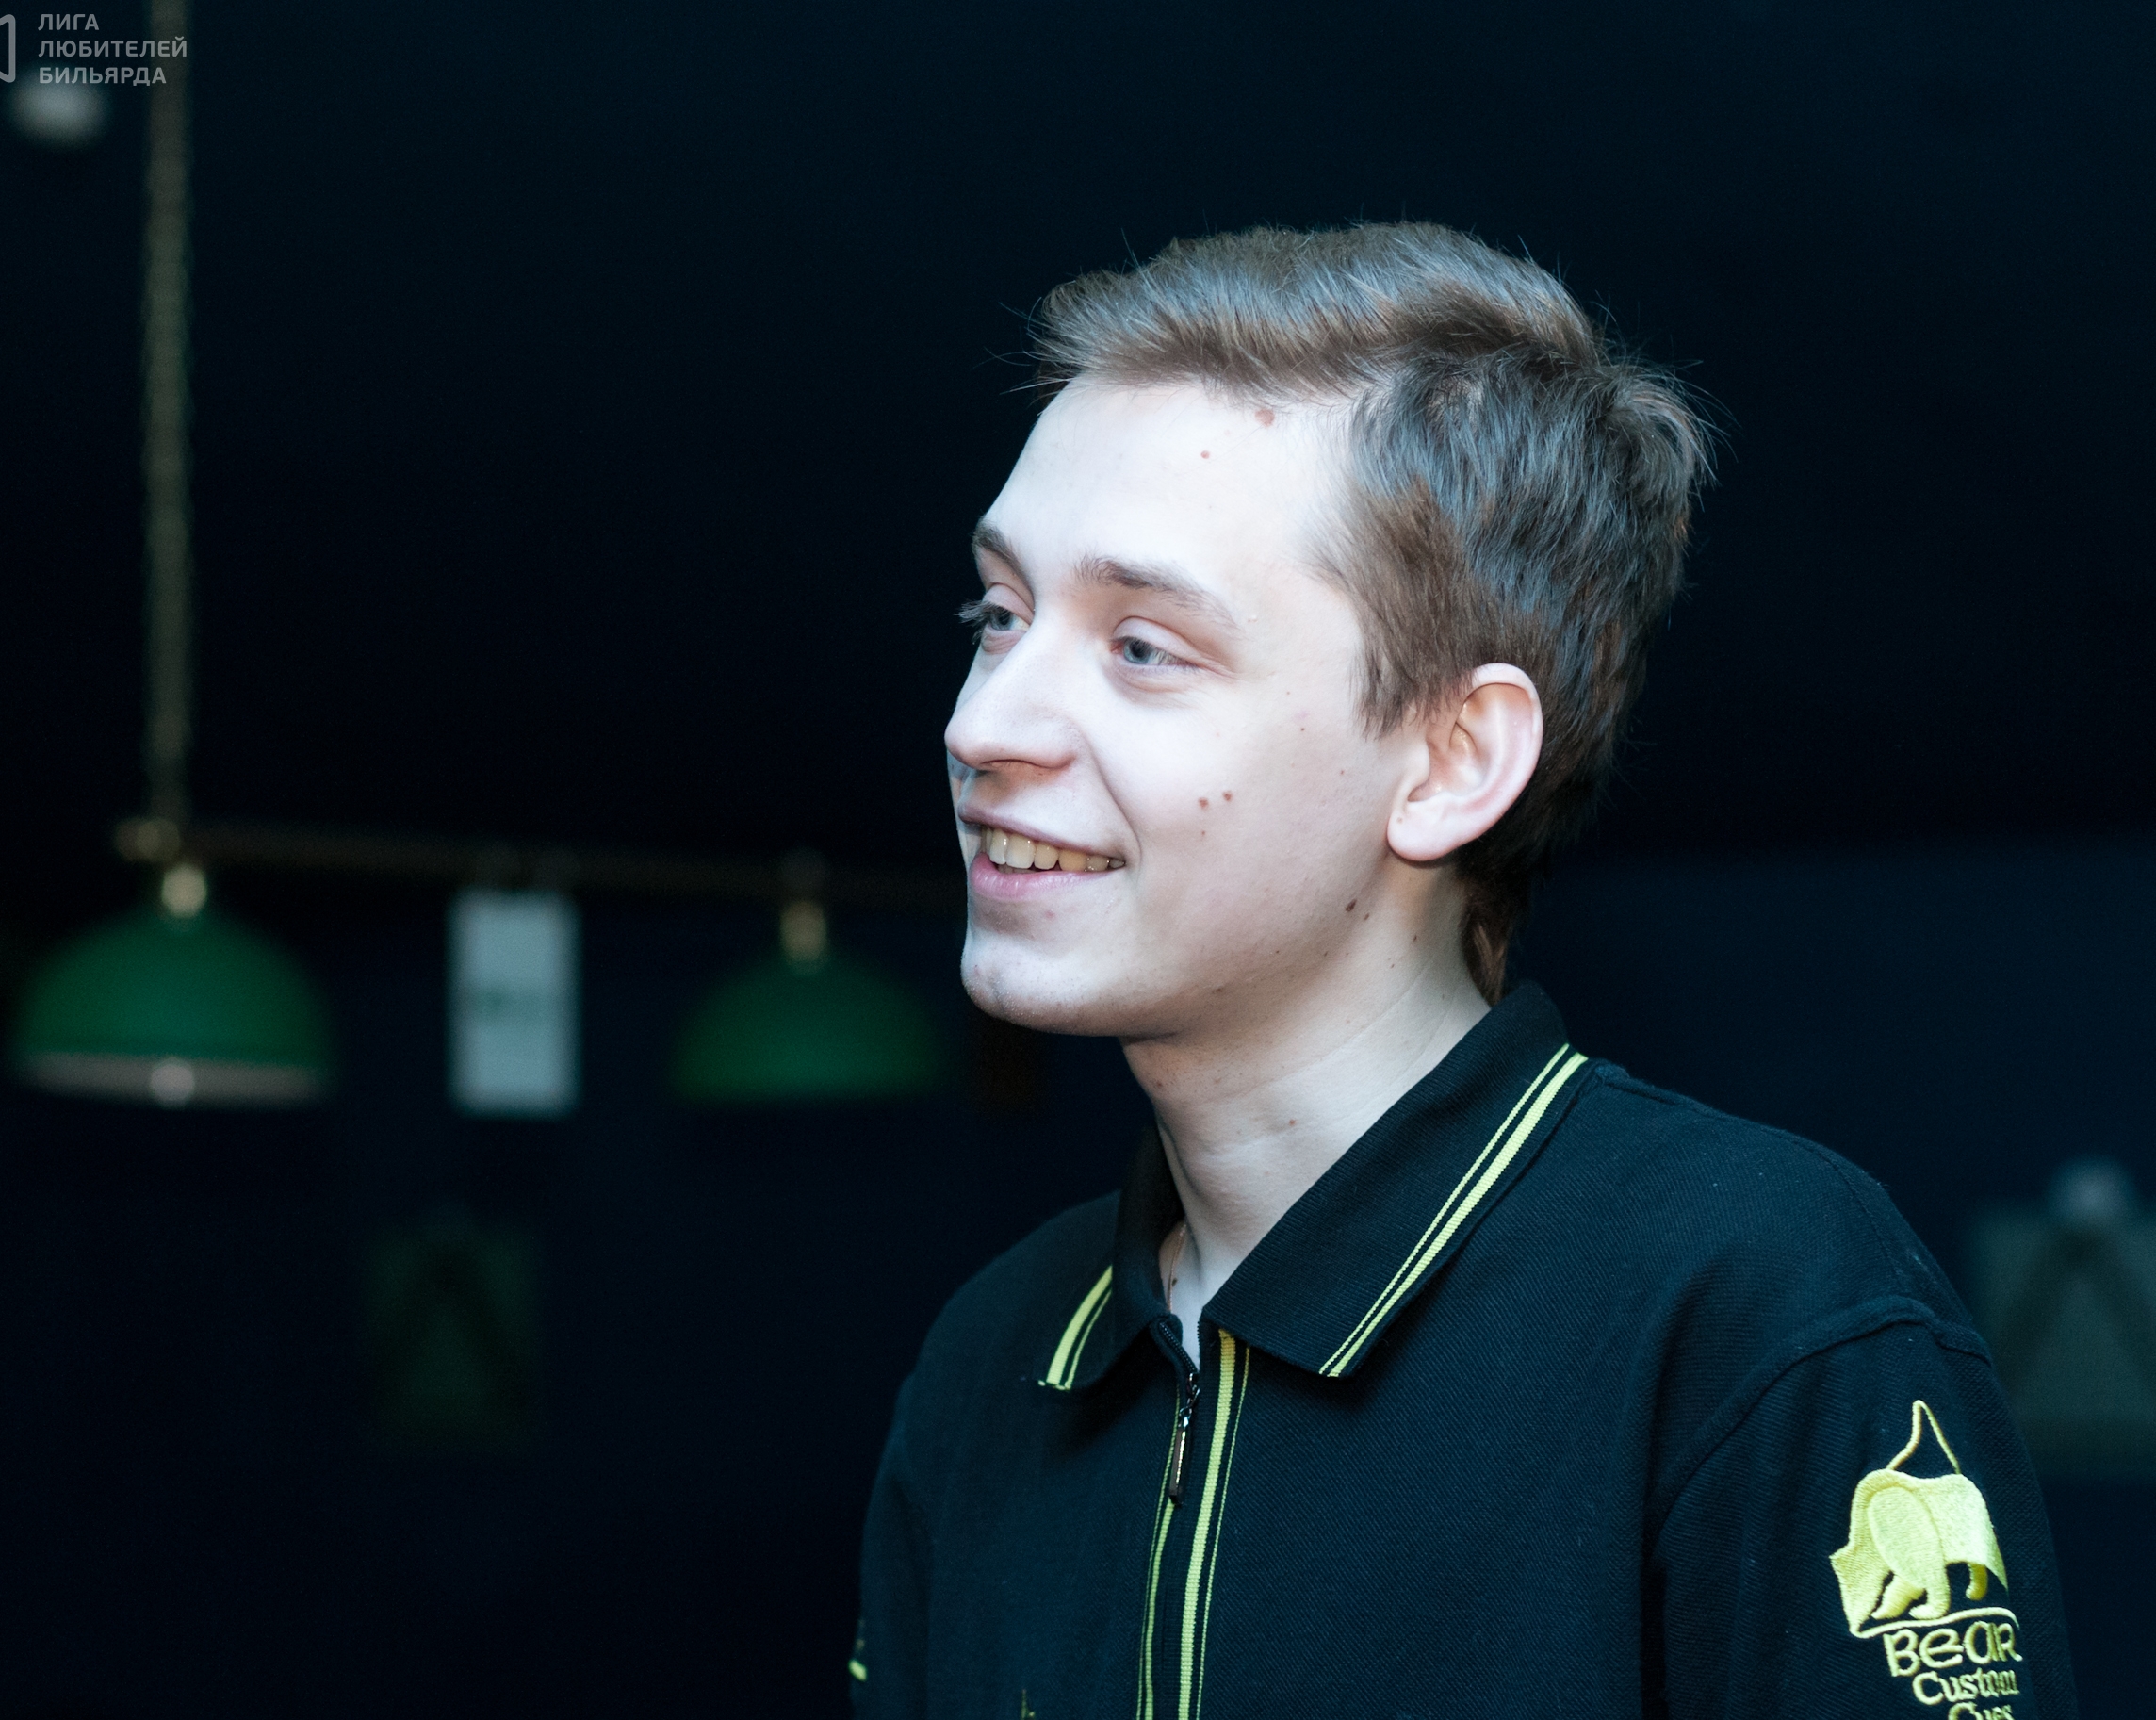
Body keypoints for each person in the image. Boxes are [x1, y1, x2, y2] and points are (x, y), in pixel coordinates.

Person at [850, 223, 2077, 1718]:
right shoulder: (992, 1358)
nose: (981, 725)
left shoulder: (1757, 1305)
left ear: (1450, 760)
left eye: (1143, 647)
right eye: (1000, 615)